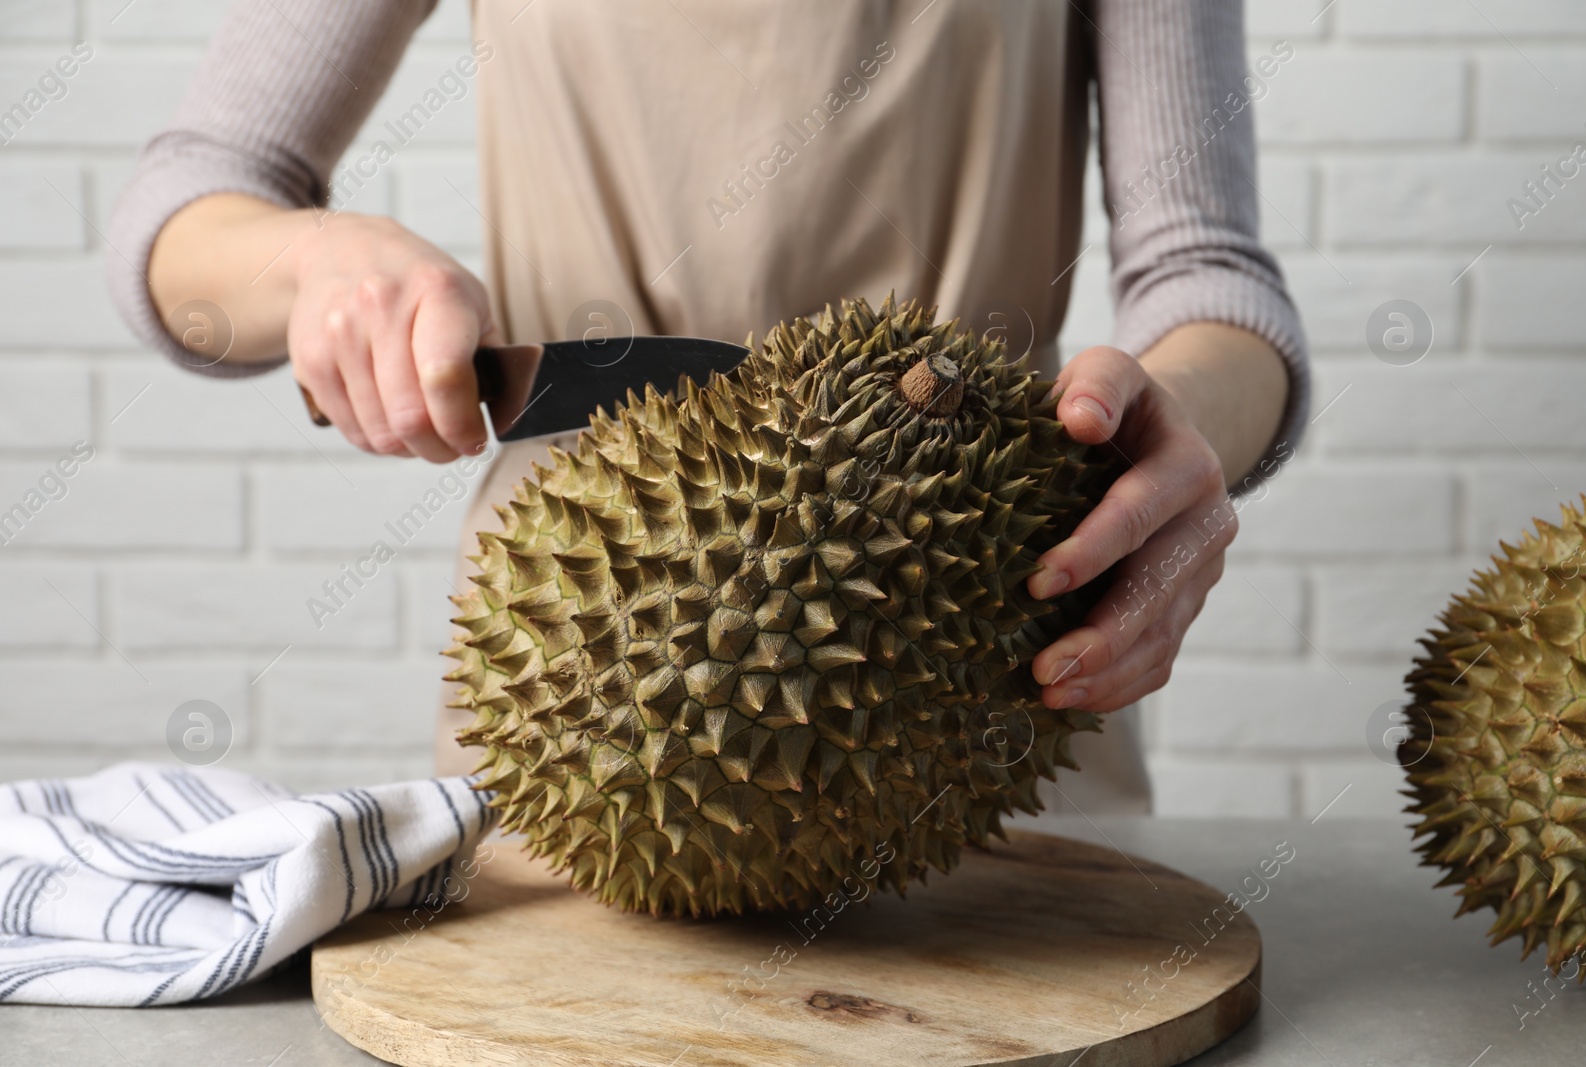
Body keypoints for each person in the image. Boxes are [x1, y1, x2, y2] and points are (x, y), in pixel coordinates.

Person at [108, 0, 1308, 814]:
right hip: (586, 661)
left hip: (991, 642)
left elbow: (1203, 269)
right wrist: (314, 262)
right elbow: (191, 203)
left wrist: (1179, 421)